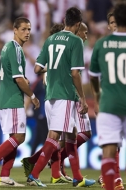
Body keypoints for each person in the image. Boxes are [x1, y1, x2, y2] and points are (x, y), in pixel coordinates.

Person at [26, 7, 95, 187]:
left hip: (51, 95)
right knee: (54, 136)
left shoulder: (50, 39)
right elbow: (75, 74)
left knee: (71, 134)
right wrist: (82, 98)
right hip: (65, 95)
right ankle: (34, 174)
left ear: (65, 20)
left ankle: (78, 178)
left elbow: (37, 69)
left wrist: (55, 68)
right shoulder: (76, 41)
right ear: (78, 23)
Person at [0, 17, 40, 186]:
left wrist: (22, 79)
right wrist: (32, 96)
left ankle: (4, 176)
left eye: (29, 29)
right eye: (24, 29)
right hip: (12, 98)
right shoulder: (16, 49)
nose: (27, 33)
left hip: (5, 97)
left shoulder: (6, 47)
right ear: (15, 30)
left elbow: (7, 73)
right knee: (19, 136)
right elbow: (18, 79)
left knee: (14, 137)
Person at [89, 2, 126, 190]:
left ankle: (112, 184)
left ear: (115, 22)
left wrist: (97, 97)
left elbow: (93, 77)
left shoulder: (101, 44)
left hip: (108, 102)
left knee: (109, 149)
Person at [97, 12, 124, 190]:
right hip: (109, 97)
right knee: (111, 139)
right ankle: (115, 177)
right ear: (108, 26)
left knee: (119, 140)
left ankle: (108, 174)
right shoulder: (102, 47)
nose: (115, 25)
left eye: (118, 22)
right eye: (113, 22)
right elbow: (96, 77)